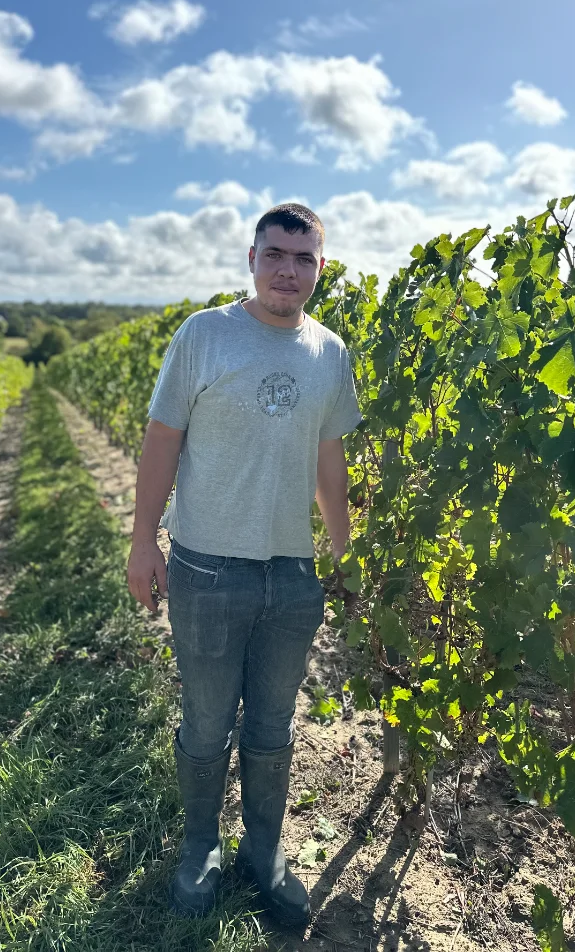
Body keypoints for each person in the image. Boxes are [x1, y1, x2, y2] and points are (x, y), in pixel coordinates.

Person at [126, 202, 361, 927]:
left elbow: (329, 457)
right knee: (205, 722)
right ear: (251, 259)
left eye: (304, 259)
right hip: (206, 568)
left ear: (319, 267)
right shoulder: (205, 335)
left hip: (291, 576)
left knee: (273, 726)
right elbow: (163, 438)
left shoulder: (330, 351)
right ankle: (200, 847)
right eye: (276, 255)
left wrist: (345, 551)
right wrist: (143, 541)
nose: (288, 271)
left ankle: (265, 852)